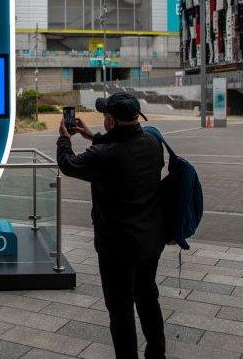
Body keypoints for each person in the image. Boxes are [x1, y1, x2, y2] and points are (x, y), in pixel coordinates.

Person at [57, 92, 166, 359]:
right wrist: (93, 136)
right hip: (151, 240)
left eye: (106, 116)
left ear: (113, 122)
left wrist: (64, 139)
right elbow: (123, 147)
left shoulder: (104, 155)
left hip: (117, 246)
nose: (104, 119)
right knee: (148, 297)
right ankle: (157, 354)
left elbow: (68, 164)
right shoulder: (153, 143)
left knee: (121, 310)